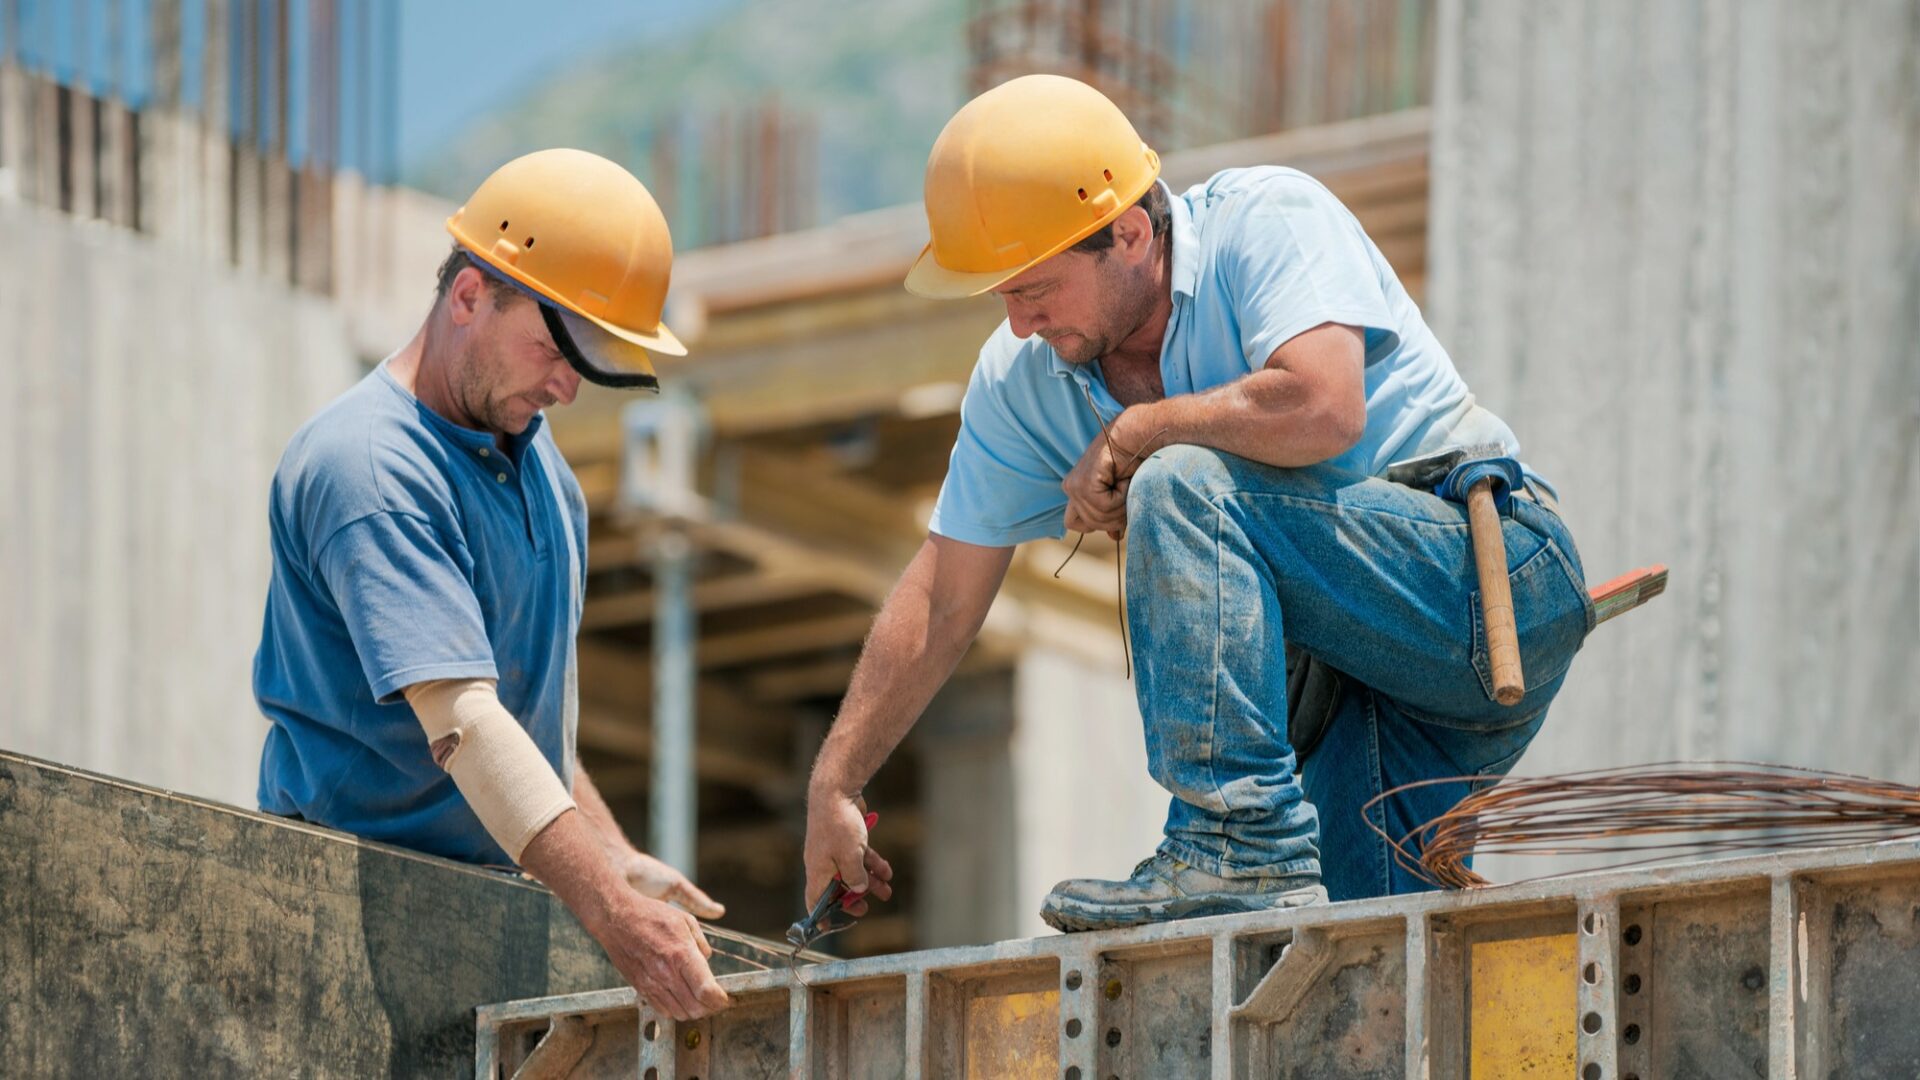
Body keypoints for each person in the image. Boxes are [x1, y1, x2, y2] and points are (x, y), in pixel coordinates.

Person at [803, 75, 1592, 932]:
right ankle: (1258, 863)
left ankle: (1234, 848)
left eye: (1034, 289)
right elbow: (944, 593)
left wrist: (1142, 430)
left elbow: (1327, 405)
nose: (1021, 322)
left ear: (1132, 233)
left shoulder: (1266, 222)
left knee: (1178, 481)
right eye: (1003, 297)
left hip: (1486, 583)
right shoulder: (1022, 380)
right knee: (1365, 973)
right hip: (1360, 694)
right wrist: (834, 781)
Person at [253, 149, 745, 1018]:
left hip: (474, 913)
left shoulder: (538, 466)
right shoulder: (370, 469)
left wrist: (611, 854)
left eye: (593, 361)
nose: (568, 386)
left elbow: (517, 716)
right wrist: (613, 916)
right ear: (470, 295)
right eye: (558, 348)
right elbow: (466, 725)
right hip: (344, 918)